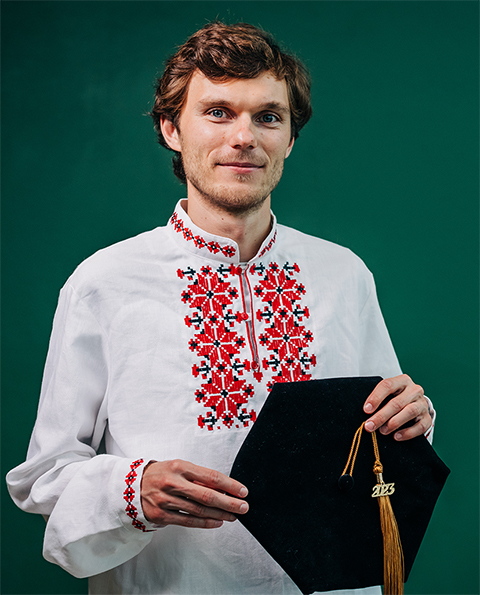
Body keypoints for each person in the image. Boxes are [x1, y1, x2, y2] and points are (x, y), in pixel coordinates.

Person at [7, 21, 435, 595]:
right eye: (217, 112)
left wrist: (413, 420)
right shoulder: (103, 283)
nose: (244, 137)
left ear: (290, 138)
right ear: (171, 129)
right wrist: (134, 489)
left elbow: (383, 445)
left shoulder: (344, 274)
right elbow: (44, 478)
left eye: (268, 116)